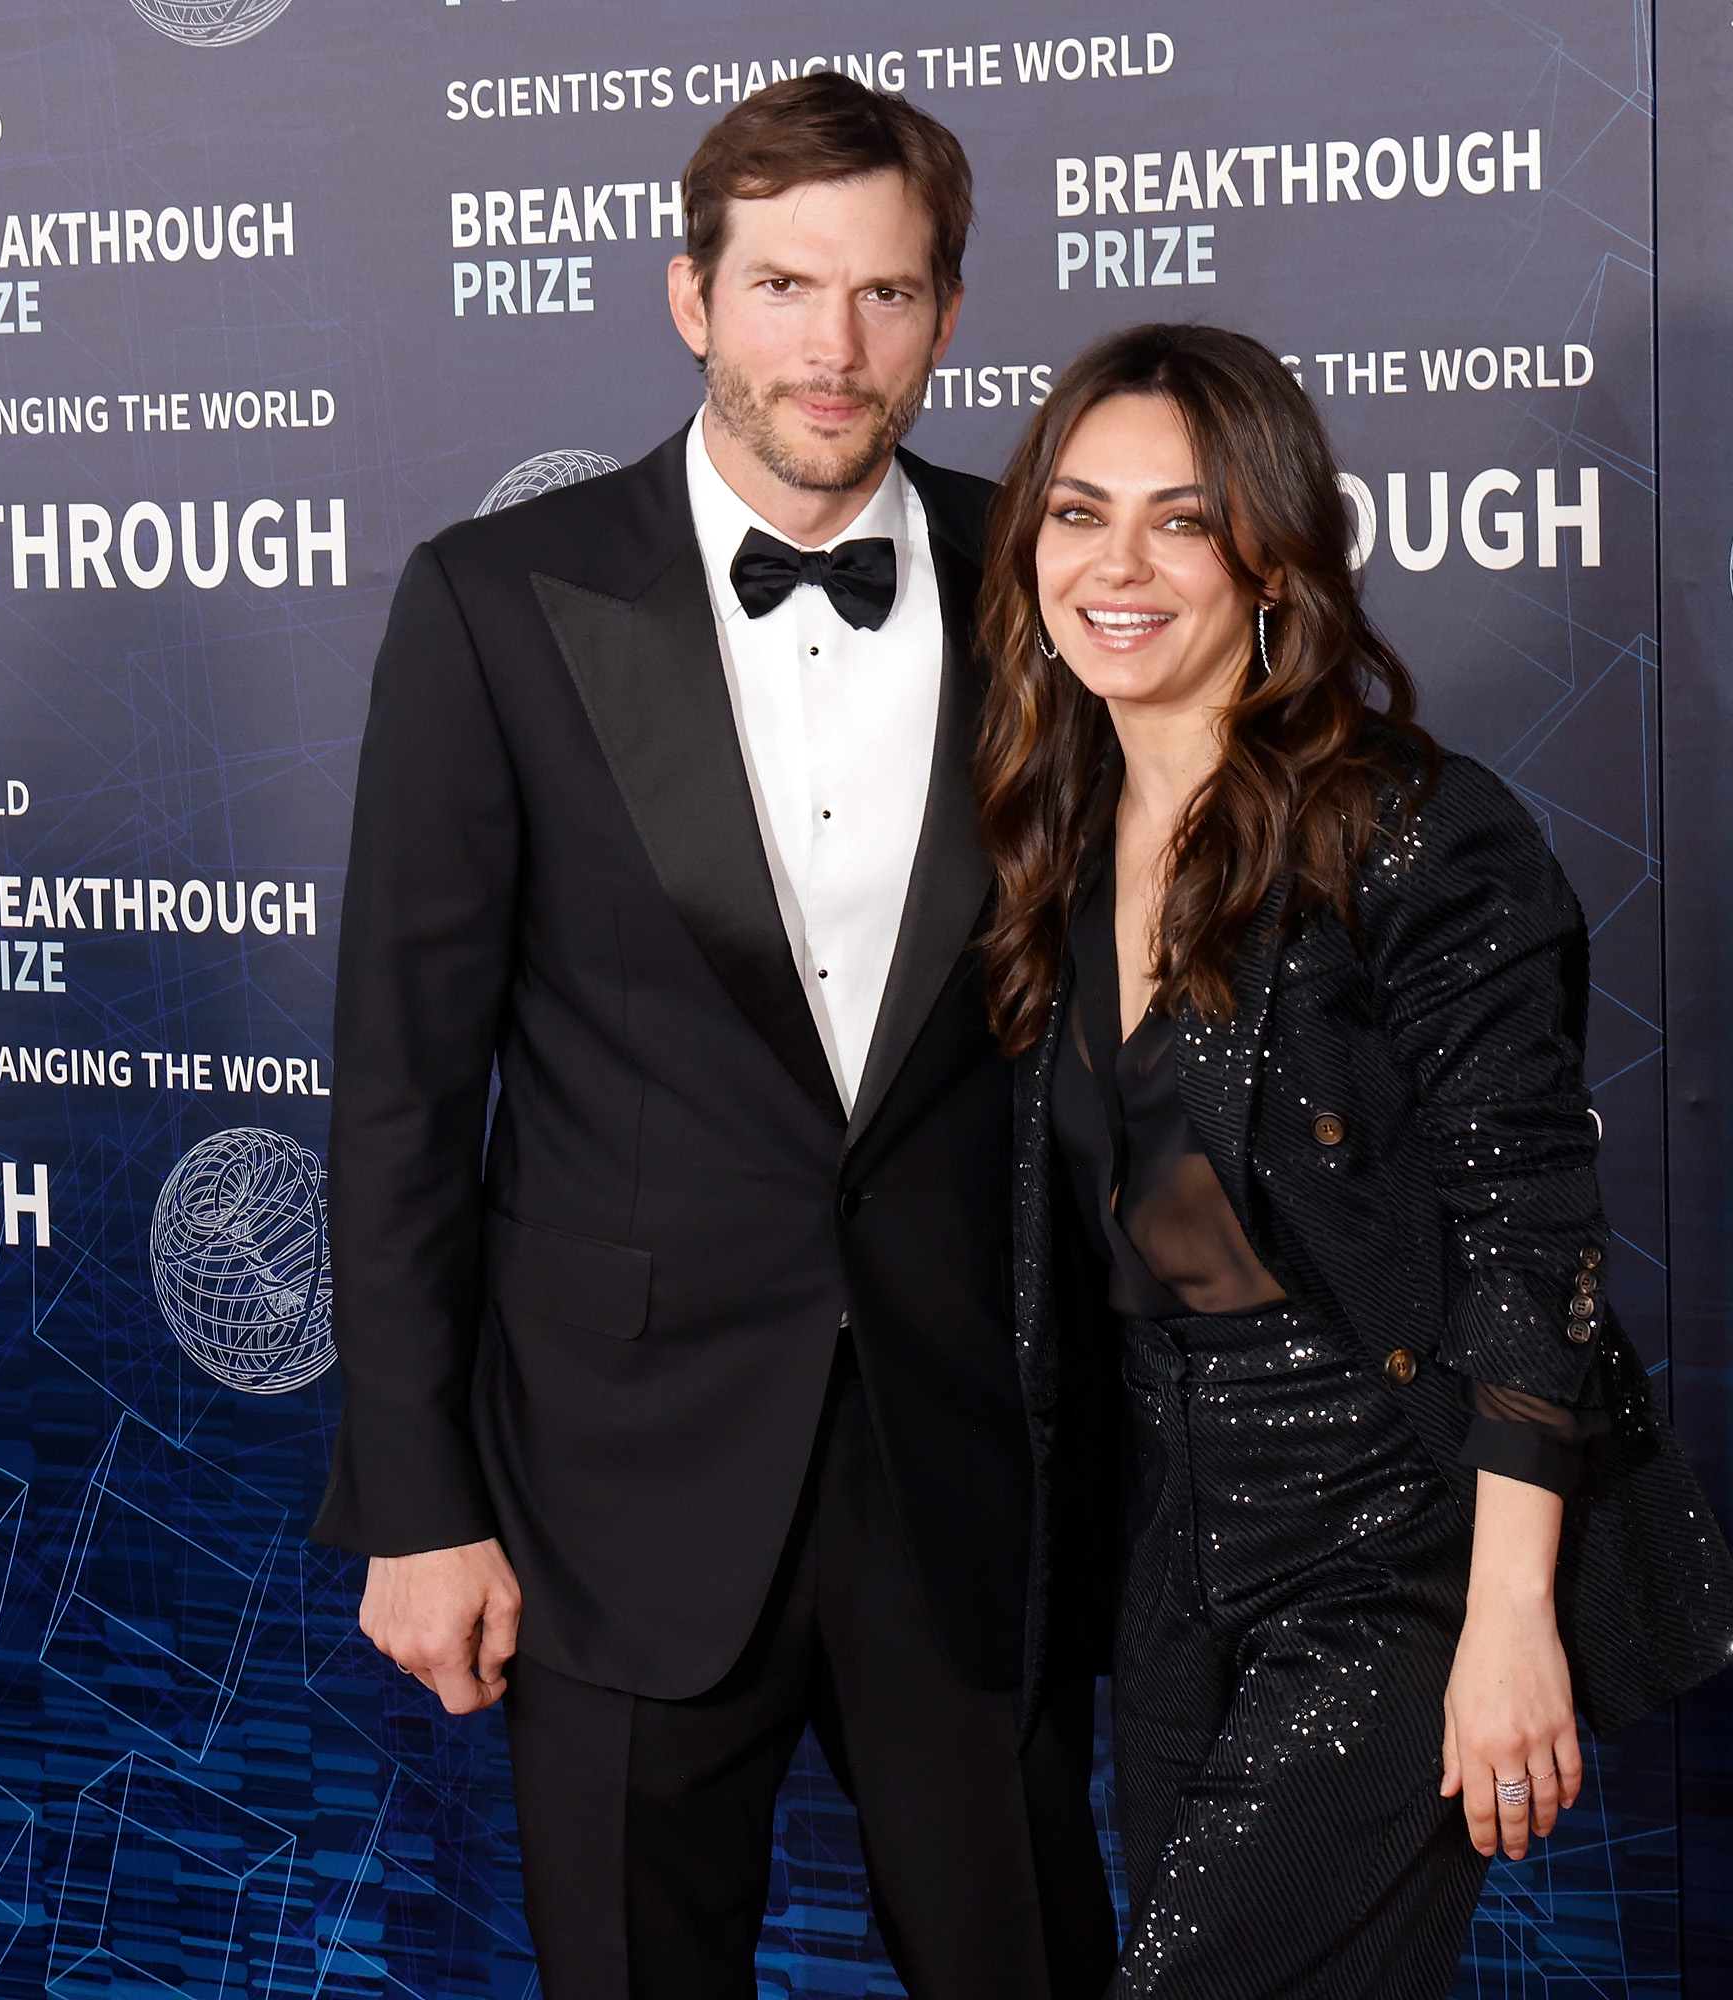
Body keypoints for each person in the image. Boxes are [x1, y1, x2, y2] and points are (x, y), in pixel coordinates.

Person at [314, 73, 1114, 1999]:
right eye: (783, 288)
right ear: (691, 298)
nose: (834, 351)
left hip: (971, 1464)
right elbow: (406, 1091)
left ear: (944, 314)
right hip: (609, 1482)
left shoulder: (1058, 587)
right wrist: (419, 1506)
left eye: (891, 296)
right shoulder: (501, 603)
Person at [978, 324, 1613, 1996]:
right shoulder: (1041, 837)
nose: (1115, 566)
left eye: (1180, 521)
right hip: (1171, 1543)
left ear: (1273, 559)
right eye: (1074, 512)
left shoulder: (1408, 830)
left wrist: (1507, 1620)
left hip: (1391, 1538)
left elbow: (1530, 1239)